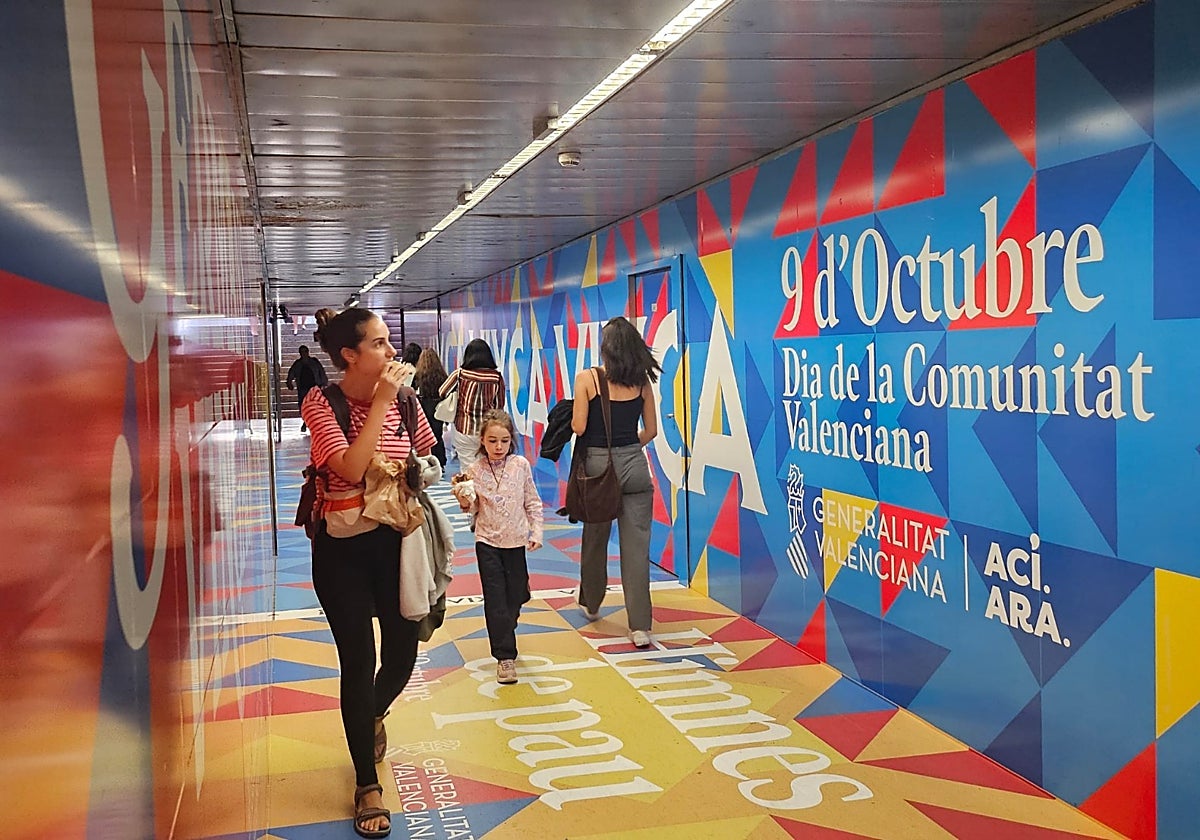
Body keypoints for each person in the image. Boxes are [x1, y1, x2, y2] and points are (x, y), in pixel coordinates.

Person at [300, 306, 437, 839]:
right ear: (349, 356)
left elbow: (426, 457)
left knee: (404, 651)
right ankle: (366, 783)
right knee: (359, 659)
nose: (391, 352)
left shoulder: (406, 399)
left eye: (389, 341)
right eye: (379, 344)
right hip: (342, 551)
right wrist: (380, 403)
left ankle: (368, 715)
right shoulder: (323, 401)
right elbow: (351, 467)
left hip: (397, 544)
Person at [571, 316, 660, 649]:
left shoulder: (587, 379)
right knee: (637, 548)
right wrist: (627, 448)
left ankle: (592, 604)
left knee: (595, 536)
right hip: (636, 465)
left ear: (605, 348)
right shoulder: (643, 382)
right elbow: (650, 431)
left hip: (598, 466)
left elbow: (579, 427)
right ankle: (639, 626)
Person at [450, 409, 543, 684]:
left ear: (511, 440)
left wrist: (536, 530)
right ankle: (505, 657)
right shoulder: (474, 471)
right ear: (482, 440)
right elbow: (471, 506)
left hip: (515, 542)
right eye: (492, 441)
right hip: (487, 541)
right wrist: (464, 499)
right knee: (495, 598)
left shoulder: (520, 465)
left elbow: (532, 501)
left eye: (503, 440)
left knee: (515, 594)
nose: (498, 447)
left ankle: (509, 618)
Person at [438, 338, 505, 472]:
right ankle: (484, 491)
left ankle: (469, 491)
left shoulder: (460, 374)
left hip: (464, 428)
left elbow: (442, 391)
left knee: (467, 468)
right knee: (486, 467)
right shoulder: (496, 377)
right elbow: (500, 405)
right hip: (487, 430)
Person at [413, 347, 449, 466]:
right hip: (438, 407)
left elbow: (413, 390)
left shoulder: (419, 375)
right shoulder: (442, 375)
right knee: (438, 436)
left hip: (423, 406)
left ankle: (428, 461)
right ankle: (441, 461)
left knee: (426, 436)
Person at [286, 344, 328, 432]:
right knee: (303, 406)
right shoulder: (297, 364)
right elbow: (291, 374)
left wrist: (324, 382)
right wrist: (289, 383)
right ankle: (305, 422)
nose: (304, 353)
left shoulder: (314, 362)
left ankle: (313, 422)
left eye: (305, 351)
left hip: (315, 388)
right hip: (303, 389)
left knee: (316, 405)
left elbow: (321, 371)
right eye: (302, 352)